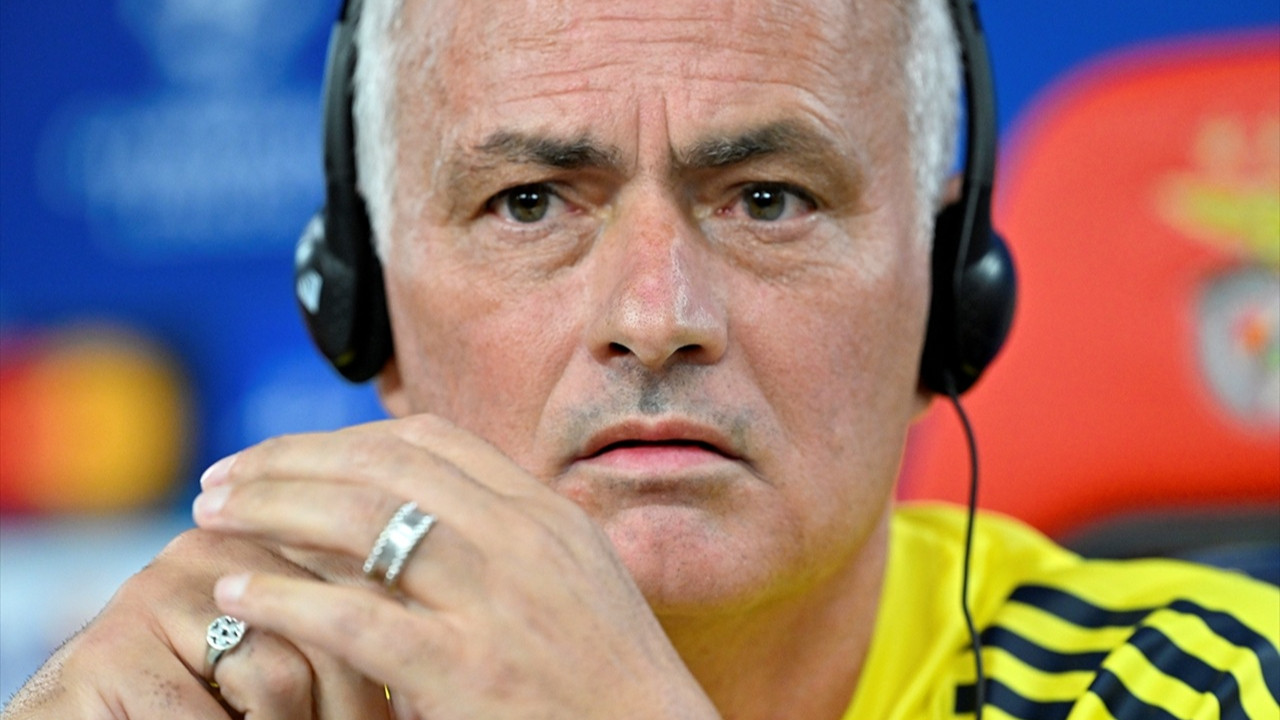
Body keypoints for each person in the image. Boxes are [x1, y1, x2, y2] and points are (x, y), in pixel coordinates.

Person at [5, 0, 1277, 718]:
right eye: (528, 203)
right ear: (363, 302)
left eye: (768, 199)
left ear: (945, 293)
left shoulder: (1209, 684)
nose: (655, 314)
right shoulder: (238, 697)